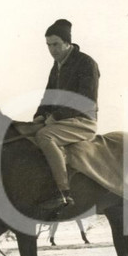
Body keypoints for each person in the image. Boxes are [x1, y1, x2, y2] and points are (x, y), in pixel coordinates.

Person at [19, 19, 100, 213]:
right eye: (48, 45)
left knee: (45, 136)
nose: (51, 50)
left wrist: (55, 116)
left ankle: (62, 192)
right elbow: (48, 97)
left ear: (67, 42)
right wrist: (39, 116)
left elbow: (86, 101)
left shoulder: (86, 63)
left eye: (55, 44)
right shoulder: (56, 66)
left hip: (83, 121)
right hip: (62, 120)